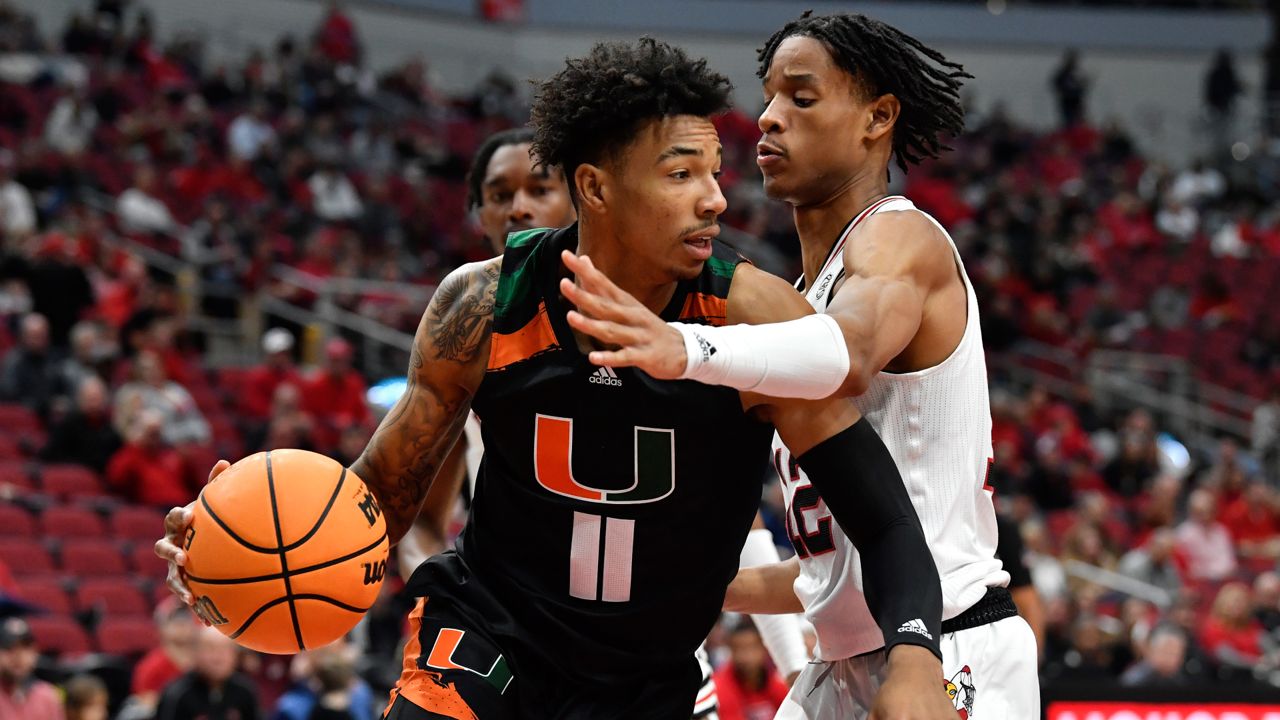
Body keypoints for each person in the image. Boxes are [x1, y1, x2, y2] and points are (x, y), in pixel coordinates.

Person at [159, 38, 949, 720]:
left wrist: (916, 655)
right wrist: (247, 535)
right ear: (596, 187)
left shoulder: (752, 314)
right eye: (681, 175)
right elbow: (379, 503)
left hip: (648, 678)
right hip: (491, 637)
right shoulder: (481, 304)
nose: (715, 198)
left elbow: (882, 519)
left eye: (714, 171)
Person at [561, 13, 1038, 718]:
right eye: (768, 97)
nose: (768, 119)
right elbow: (831, 570)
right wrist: (678, 577)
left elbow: (847, 359)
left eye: (801, 98)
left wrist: (686, 348)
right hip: (840, 665)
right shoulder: (801, 303)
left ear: (878, 117)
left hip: (945, 647)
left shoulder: (900, 239)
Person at [154, 626, 262, 720]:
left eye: (224, 650)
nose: (217, 658)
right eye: (210, 649)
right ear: (195, 653)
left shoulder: (245, 691)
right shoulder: (177, 694)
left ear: (236, 656)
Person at [713, 619, 790, 720]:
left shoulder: (778, 682)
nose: (746, 656)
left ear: (765, 648)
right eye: (738, 649)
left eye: (752, 648)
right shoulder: (718, 686)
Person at [0, 617, 64, 720]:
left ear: (35, 653)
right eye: (9, 648)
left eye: (25, 648)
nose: (18, 655)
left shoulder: (47, 696)